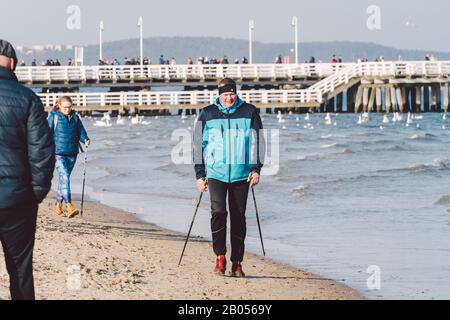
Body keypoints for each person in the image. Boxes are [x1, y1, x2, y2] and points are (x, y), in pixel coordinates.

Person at [0, 39, 55, 300]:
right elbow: (42, 153)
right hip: (18, 199)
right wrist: (36, 193)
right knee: (20, 270)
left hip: (18, 196)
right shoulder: (28, 99)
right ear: (12, 63)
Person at [193, 78, 264, 278]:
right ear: (219, 94)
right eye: (225, 94)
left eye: (232, 93)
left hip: (242, 174)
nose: (229, 97)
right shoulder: (208, 113)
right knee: (218, 213)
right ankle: (220, 257)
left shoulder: (250, 112)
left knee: (239, 218)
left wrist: (256, 169)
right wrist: (200, 174)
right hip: (216, 174)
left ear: (236, 93)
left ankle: (237, 262)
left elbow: (259, 142)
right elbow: (198, 145)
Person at [47, 96, 90, 218]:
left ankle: (57, 205)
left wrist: (85, 139)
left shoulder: (75, 118)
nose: (67, 109)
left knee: (63, 180)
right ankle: (69, 205)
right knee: (65, 177)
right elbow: (46, 132)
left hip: (72, 153)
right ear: (59, 106)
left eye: (69, 107)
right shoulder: (54, 117)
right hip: (58, 153)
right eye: (65, 107)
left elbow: (80, 131)